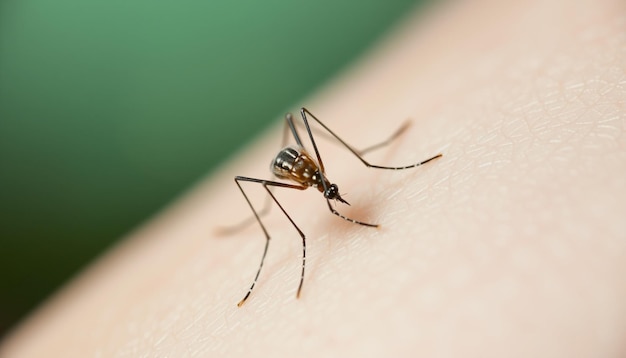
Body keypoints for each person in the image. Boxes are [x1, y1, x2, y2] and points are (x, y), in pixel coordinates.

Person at [2, 0, 624, 356]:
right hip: (277, 180)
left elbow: (312, 150)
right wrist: (290, 229)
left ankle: (378, 154)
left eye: (328, 189)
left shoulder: (321, 174)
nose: (332, 195)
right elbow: (272, 175)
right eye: (327, 190)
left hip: (304, 158)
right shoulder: (293, 183)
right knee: (267, 186)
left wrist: (368, 164)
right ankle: (271, 238)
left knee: (302, 121)